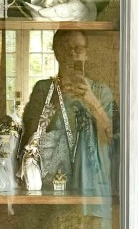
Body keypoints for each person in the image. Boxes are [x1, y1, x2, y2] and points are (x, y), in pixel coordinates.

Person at [21, 29, 118, 201]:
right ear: (56, 52)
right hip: (49, 189)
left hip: (92, 188)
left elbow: (113, 138)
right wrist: (55, 103)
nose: (72, 54)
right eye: (66, 48)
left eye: (78, 49)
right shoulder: (43, 89)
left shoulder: (101, 92)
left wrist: (92, 101)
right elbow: (29, 137)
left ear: (86, 54)